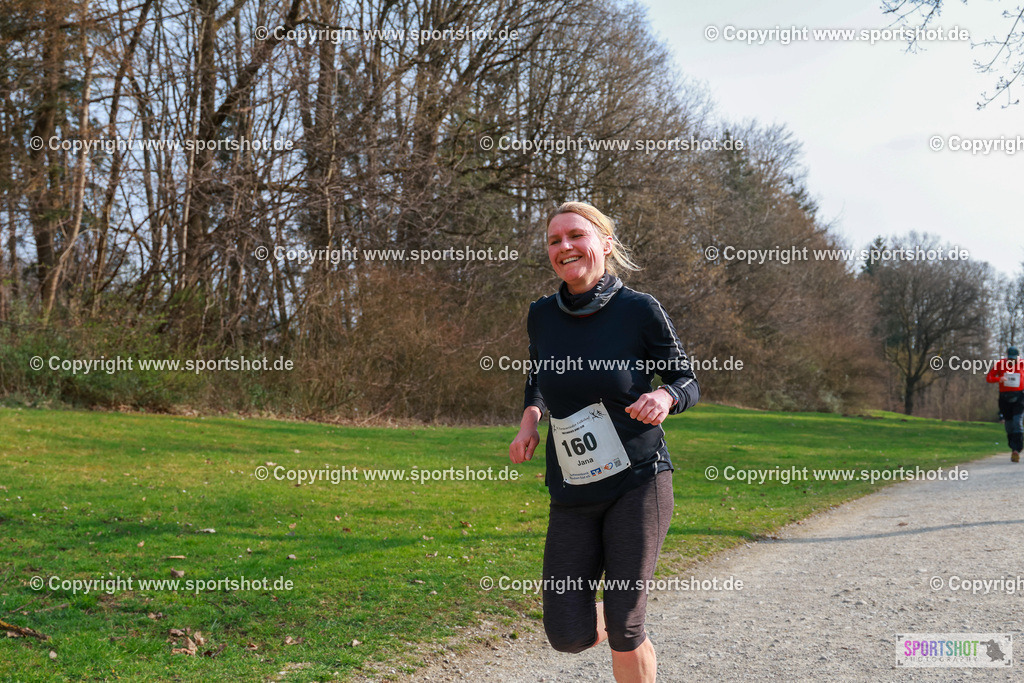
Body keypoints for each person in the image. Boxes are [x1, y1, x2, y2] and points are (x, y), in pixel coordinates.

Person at [508, 202, 699, 683]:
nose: (565, 246)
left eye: (576, 235)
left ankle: (622, 620)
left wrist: (665, 396)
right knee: (566, 633)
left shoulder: (639, 310)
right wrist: (530, 421)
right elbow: (538, 377)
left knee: (625, 624)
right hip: (573, 487)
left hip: (638, 480)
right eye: (554, 240)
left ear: (606, 243)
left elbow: (685, 379)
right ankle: (612, 615)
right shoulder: (542, 315)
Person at [986, 346, 1024, 462]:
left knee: (1017, 422)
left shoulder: (1022, 364)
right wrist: (999, 379)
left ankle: (1017, 449)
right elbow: (989, 378)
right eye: (1010, 359)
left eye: (1014, 359)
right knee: (1009, 425)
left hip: (1019, 397)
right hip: (1004, 398)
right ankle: (1013, 447)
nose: (1012, 361)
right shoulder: (1000, 364)